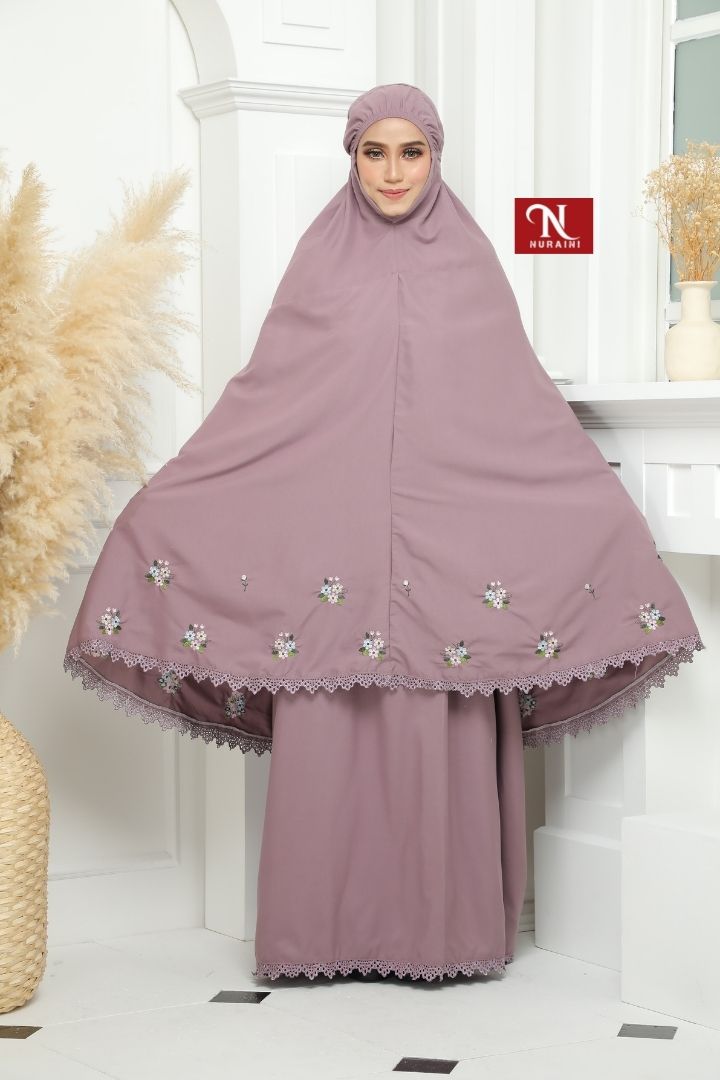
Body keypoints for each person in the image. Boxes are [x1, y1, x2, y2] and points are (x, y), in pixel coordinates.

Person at [63, 83, 705, 983]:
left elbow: (514, 401)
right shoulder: (318, 262)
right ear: (353, 157)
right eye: (375, 152)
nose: (393, 172)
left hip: (449, 567)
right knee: (331, 717)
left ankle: (448, 939)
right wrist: (173, 497)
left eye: (412, 152)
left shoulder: (472, 264)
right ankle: (316, 940)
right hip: (333, 560)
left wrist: (595, 509)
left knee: (443, 708)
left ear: (435, 156)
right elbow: (267, 399)